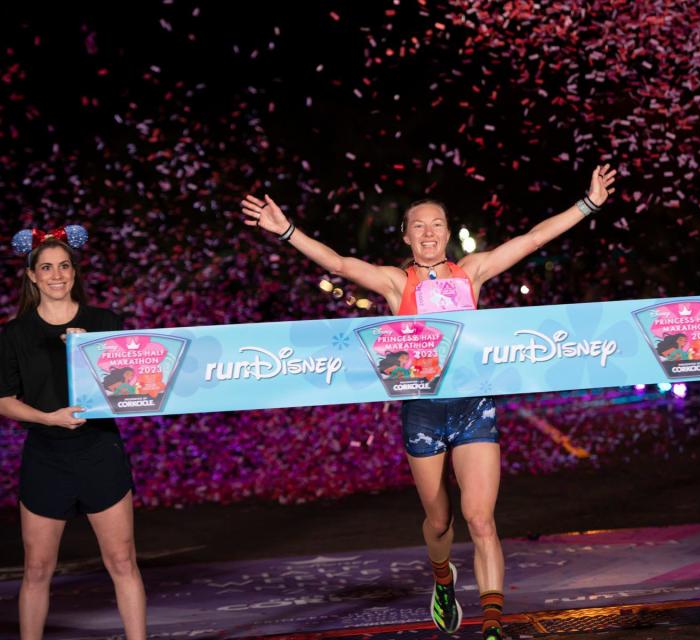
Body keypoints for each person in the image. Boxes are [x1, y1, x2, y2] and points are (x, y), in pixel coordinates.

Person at [242, 165, 617, 640]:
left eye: (436, 224)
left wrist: (589, 204)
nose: (428, 232)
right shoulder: (397, 283)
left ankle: (494, 628)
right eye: (418, 225)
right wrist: (287, 230)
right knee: (439, 520)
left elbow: (532, 239)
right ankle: (443, 579)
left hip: (472, 408)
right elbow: (337, 264)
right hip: (422, 413)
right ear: (406, 237)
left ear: (447, 234)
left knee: (480, 518)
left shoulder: (472, 272)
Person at [0, 227, 146, 640]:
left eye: (63, 266)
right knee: (38, 569)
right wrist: (50, 419)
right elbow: (3, 399)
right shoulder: (15, 334)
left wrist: (90, 353)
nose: (56, 275)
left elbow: (134, 388)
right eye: (46, 268)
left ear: (74, 270)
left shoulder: (104, 323)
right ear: (32, 275)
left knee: (122, 561)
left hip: (100, 452)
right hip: (46, 456)